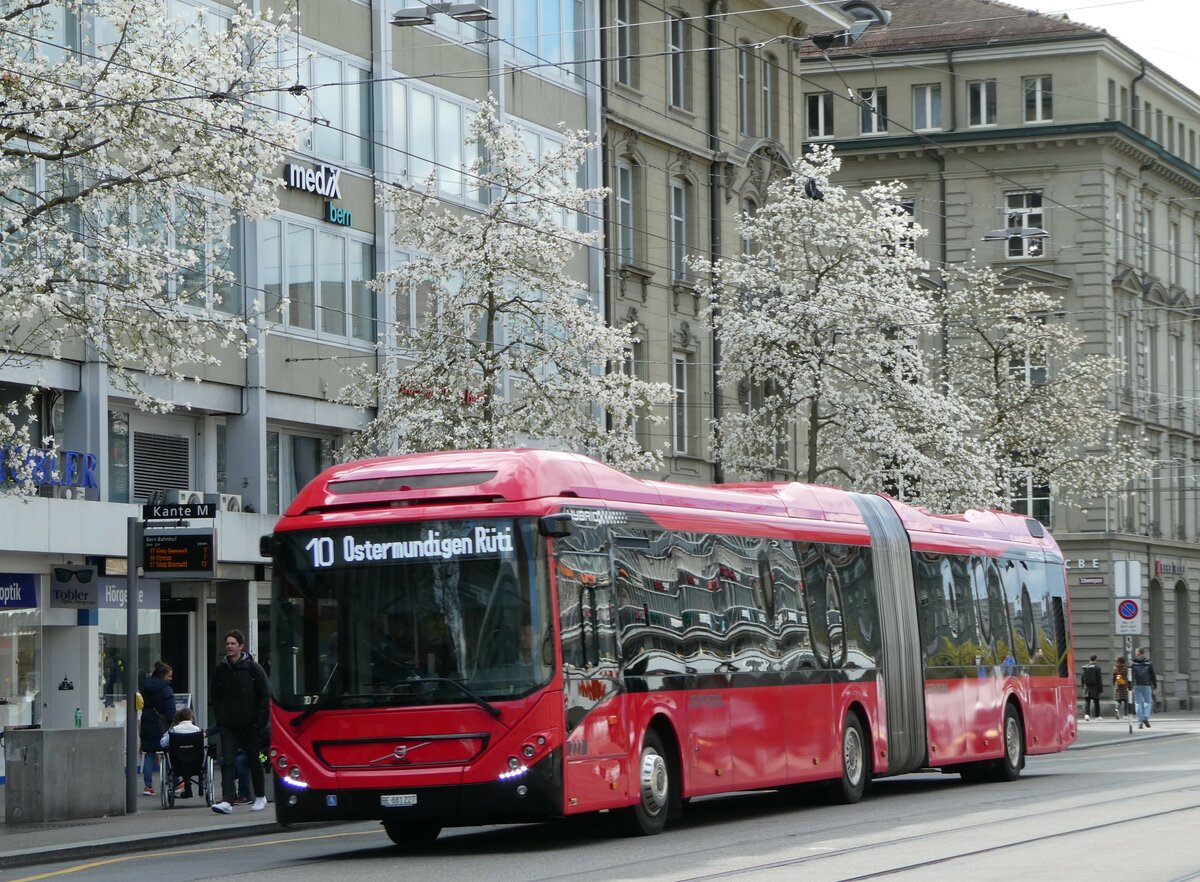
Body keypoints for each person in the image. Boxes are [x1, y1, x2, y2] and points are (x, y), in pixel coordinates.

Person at [210, 629, 270, 815]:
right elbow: (216, 696)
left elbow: (264, 696)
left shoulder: (253, 668)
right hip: (228, 725)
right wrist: (221, 719)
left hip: (249, 724)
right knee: (228, 761)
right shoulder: (221, 669)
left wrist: (259, 722)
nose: (229, 646)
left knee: (254, 759)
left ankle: (260, 796)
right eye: (227, 643)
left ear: (241, 646)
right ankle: (228, 800)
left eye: (233, 643)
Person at [138, 661, 175, 796]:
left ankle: (148, 786)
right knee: (168, 750)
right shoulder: (166, 689)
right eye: (169, 676)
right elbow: (171, 711)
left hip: (147, 719)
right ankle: (174, 781)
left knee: (149, 752)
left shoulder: (145, 686)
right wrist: (171, 721)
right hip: (161, 723)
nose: (171, 679)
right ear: (163, 675)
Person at [159, 707, 202, 798]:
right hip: (196, 762)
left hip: (177, 763)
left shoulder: (174, 730)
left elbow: (163, 744)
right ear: (191, 717)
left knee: (177, 758)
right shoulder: (197, 730)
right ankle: (193, 788)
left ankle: (186, 788)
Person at [1131, 646, 1158, 729]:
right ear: (1144, 653)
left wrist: (1130, 685)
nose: (1135, 653)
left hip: (1137, 684)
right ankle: (1145, 717)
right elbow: (1153, 675)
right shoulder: (1148, 662)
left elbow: (1130, 675)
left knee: (1138, 702)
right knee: (1148, 702)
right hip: (1147, 684)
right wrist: (1155, 686)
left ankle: (1140, 721)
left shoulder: (1133, 663)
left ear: (1138, 653)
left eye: (1136, 652)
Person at [1080, 654, 1103, 721]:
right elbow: (1099, 679)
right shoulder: (1097, 668)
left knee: (1087, 701)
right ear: (1095, 660)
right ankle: (1097, 716)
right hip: (1095, 688)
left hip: (1087, 688)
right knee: (1096, 702)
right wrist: (1100, 689)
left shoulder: (1085, 667)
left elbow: (1082, 678)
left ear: (1089, 660)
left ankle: (1087, 715)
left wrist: (1083, 687)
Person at [1112, 656, 1130, 720]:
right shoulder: (1126, 668)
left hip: (1118, 685)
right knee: (1126, 701)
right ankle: (1125, 715)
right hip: (1125, 685)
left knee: (1118, 700)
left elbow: (1114, 677)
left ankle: (1117, 709)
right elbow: (1128, 677)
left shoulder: (1116, 668)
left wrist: (1114, 684)